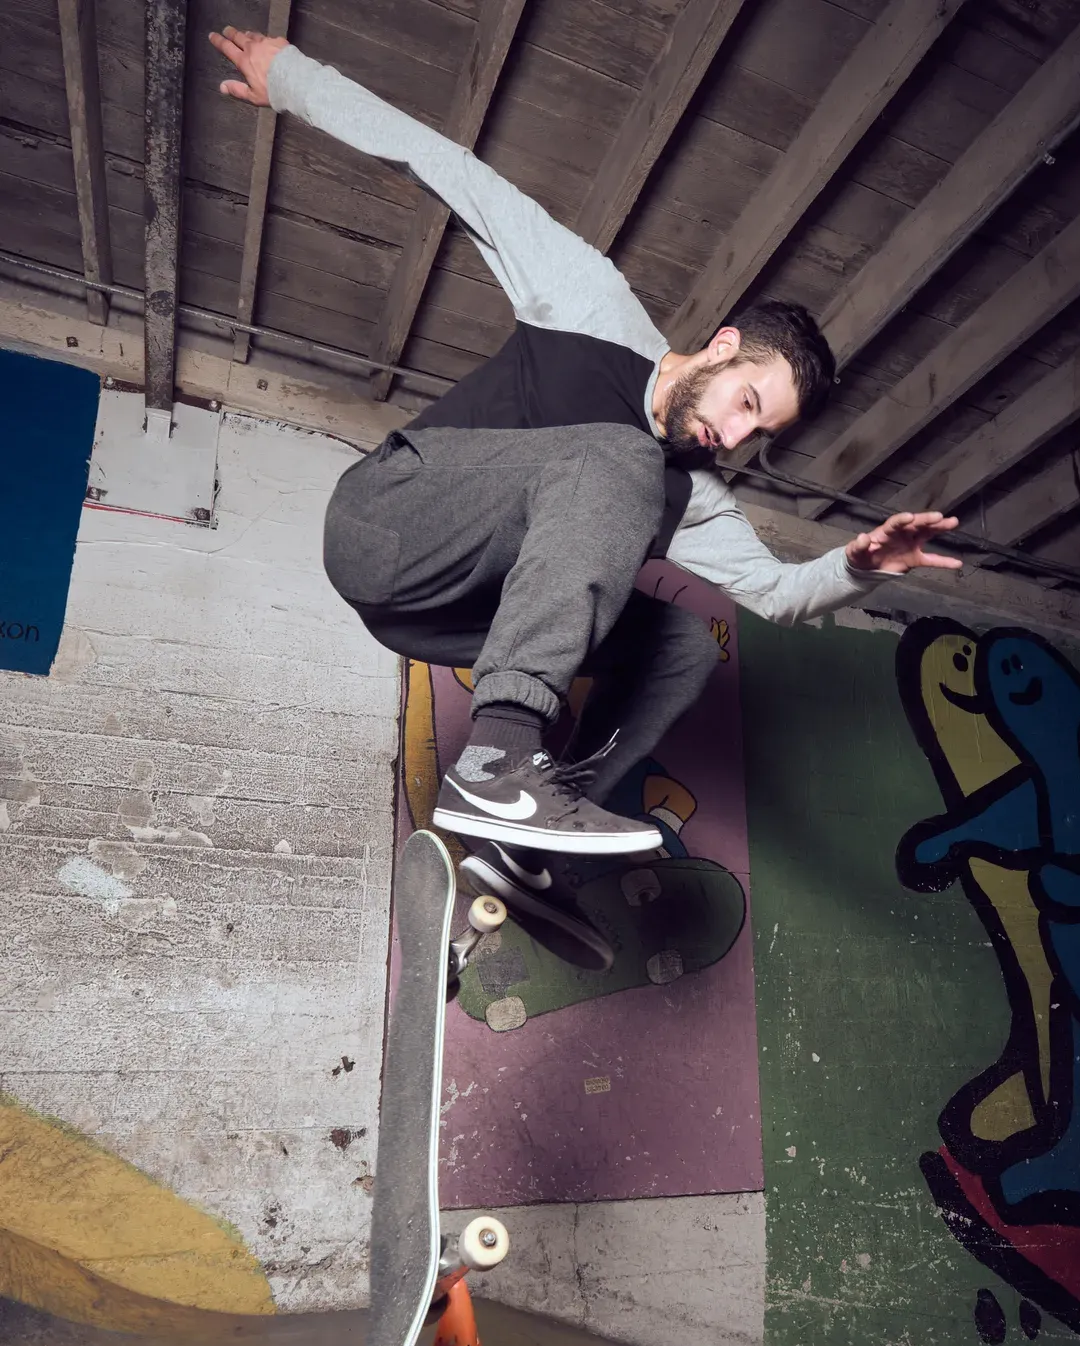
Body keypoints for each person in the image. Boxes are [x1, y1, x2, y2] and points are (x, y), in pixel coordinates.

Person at [210, 25, 962, 967]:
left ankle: (524, 840)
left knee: (684, 641)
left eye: (756, 434)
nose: (731, 436)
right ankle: (498, 763)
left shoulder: (697, 493)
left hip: (441, 616)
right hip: (387, 524)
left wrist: (858, 566)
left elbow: (777, 595)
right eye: (744, 403)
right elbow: (449, 170)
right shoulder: (590, 302)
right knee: (622, 457)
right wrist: (297, 84)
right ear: (725, 346)